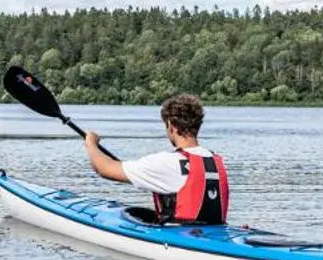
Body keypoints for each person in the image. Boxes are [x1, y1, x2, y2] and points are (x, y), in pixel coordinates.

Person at [82, 93, 230, 225]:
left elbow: (104, 169)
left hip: (178, 237)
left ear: (171, 125)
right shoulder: (217, 162)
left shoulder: (166, 162)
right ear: (198, 125)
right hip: (215, 233)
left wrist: (91, 143)